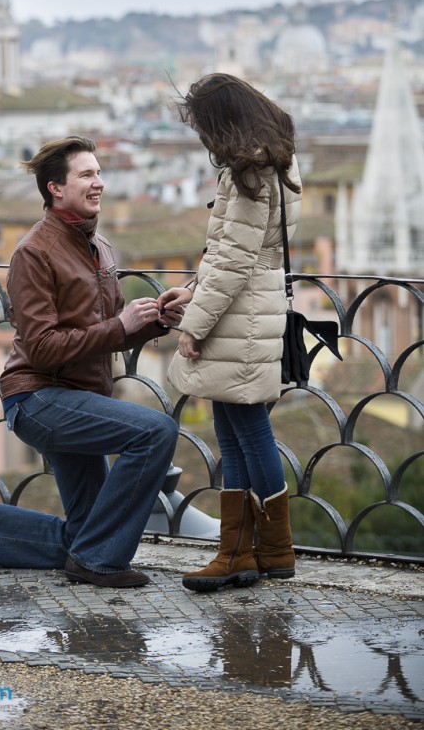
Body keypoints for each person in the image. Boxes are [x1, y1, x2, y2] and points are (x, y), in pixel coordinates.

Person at [0, 136, 183, 588]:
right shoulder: (34, 252)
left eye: (99, 173)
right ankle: (99, 562)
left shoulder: (100, 247)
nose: (99, 183)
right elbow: (44, 346)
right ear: (55, 188)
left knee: (85, 535)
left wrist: (155, 321)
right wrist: (121, 327)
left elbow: (106, 334)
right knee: (155, 431)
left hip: (79, 397)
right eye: (87, 175)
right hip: (39, 398)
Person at [157, 73, 302, 593]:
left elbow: (235, 258)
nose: (201, 137)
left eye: (203, 125)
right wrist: (191, 290)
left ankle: (274, 549)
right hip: (246, 310)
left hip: (239, 318)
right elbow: (228, 254)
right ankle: (237, 552)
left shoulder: (250, 171)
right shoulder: (277, 161)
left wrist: (193, 323)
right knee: (233, 432)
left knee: (249, 431)